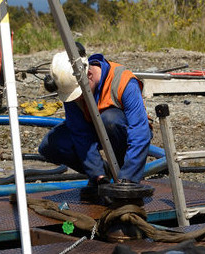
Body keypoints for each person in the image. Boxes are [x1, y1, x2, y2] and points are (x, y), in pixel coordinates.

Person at [39, 49, 152, 198]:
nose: (77, 100)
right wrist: (97, 175)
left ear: (89, 75)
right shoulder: (72, 86)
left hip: (119, 130)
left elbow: (139, 131)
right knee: (51, 144)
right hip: (93, 129)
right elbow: (79, 132)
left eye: (78, 95)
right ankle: (104, 172)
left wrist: (128, 180)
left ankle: (124, 174)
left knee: (109, 120)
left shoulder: (123, 81)